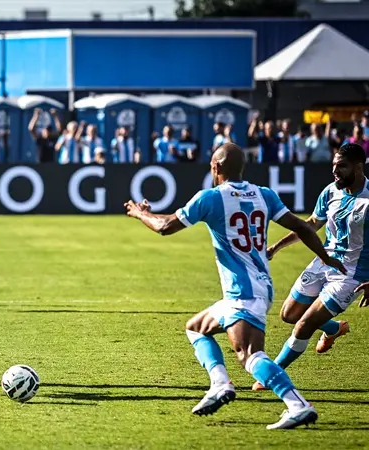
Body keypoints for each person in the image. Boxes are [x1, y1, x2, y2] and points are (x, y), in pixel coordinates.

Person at [124, 142, 345, 430]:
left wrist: (139, 213)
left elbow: (165, 226)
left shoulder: (211, 198)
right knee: (196, 328)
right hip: (257, 287)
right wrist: (326, 257)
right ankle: (219, 385)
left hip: (244, 292)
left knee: (250, 355)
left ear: (216, 167)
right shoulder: (264, 194)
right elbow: (302, 226)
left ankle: (297, 404)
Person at [252, 143, 368, 390]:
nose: (335, 171)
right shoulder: (331, 192)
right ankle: (334, 329)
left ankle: (271, 376)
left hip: (350, 274)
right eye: (334, 165)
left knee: (304, 324)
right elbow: (311, 224)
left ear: (359, 167)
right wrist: (276, 247)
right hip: (324, 262)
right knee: (289, 315)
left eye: (341, 166)